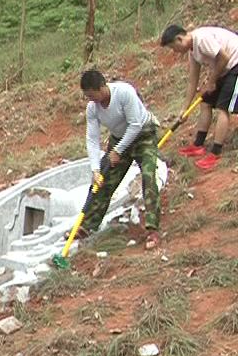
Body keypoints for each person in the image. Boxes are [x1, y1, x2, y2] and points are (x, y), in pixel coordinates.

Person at [79, 69, 161, 250]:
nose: (91, 100)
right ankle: (88, 225)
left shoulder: (124, 93)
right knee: (103, 182)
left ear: (102, 87)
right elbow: (92, 138)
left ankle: (152, 228)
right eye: (88, 97)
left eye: (93, 95)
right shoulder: (92, 108)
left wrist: (118, 150)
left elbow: (136, 124)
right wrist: (95, 168)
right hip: (119, 140)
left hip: (143, 135)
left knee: (149, 177)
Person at [159, 24, 238, 170]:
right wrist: (185, 109)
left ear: (179, 39)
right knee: (205, 103)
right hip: (224, 69)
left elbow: (224, 58)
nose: (175, 51)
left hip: (235, 64)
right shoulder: (193, 51)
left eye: (173, 47)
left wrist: (212, 81)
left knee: (222, 108)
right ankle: (198, 145)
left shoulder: (201, 39)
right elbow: (192, 80)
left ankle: (215, 152)